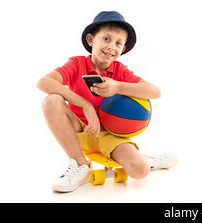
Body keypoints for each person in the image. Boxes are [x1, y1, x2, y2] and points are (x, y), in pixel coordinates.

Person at [37, 11, 178, 192]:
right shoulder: (76, 64)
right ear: (90, 40)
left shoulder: (120, 71)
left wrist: (117, 87)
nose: (111, 46)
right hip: (78, 130)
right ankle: (80, 165)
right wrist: (85, 105)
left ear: (123, 48)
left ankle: (148, 160)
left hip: (109, 135)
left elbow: (155, 92)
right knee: (51, 100)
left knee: (139, 170)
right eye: (106, 39)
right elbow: (44, 82)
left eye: (118, 43)